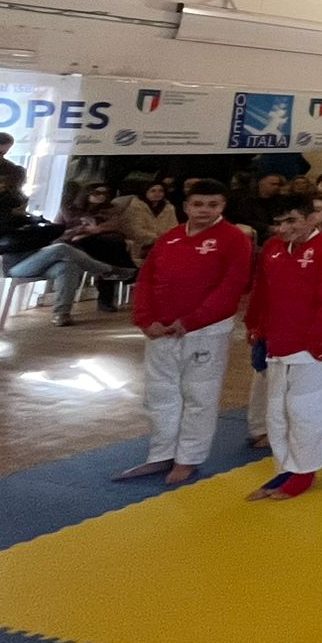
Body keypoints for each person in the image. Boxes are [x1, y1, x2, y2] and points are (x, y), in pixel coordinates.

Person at [115, 179, 252, 485]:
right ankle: (161, 453)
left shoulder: (233, 239)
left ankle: (188, 458)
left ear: (223, 206)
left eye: (213, 204)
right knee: (160, 393)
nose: (205, 210)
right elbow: (148, 280)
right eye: (198, 204)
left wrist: (193, 320)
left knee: (198, 395)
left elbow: (231, 287)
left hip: (205, 330)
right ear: (186, 206)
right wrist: (144, 319)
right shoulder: (171, 239)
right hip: (162, 329)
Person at [244, 195, 322, 501]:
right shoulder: (273, 249)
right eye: (277, 222)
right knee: (276, 412)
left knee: (305, 412)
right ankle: (286, 467)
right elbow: (262, 292)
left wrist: (320, 342)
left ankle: (305, 471)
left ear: (311, 218)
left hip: (311, 346)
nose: (282, 228)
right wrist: (256, 329)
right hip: (276, 340)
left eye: (291, 221)